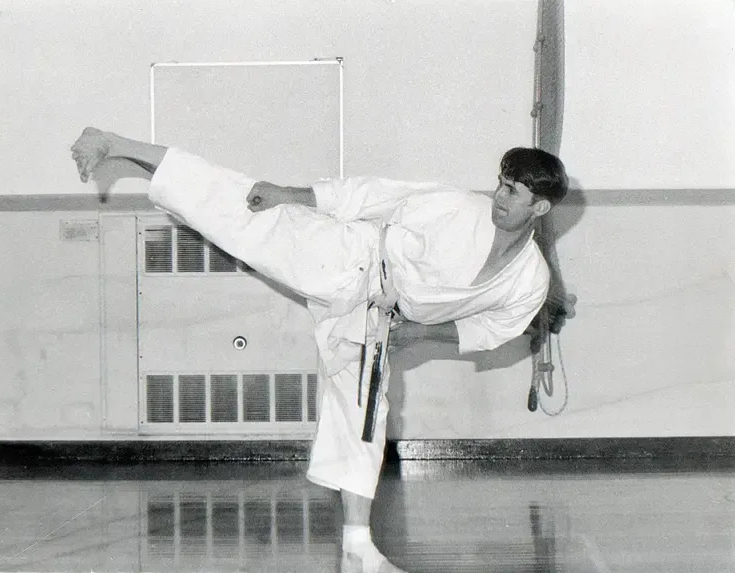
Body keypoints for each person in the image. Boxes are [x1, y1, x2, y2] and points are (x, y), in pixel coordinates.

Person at [71, 127, 575, 573]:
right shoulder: (457, 208)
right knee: (241, 213)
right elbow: (371, 194)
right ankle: (115, 144)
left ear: (540, 207)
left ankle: (358, 549)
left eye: (512, 191)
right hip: (349, 255)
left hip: (378, 317)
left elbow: (493, 330)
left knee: (365, 414)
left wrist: (421, 334)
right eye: (500, 184)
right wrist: (288, 194)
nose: (498, 196)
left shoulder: (530, 279)